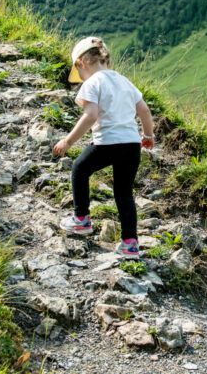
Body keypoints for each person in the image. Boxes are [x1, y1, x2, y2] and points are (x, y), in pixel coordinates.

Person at [53, 36, 155, 258]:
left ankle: (81, 220)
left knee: (80, 169)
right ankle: (130, 244)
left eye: (78, 73)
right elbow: (145, 111)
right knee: (124, 193)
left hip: (108, 143)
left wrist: (67, 141)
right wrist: (148, 135)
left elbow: (90, 116)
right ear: (106, 61)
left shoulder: (92, 83)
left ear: (81, 64)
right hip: (132, 145)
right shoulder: (125, 81)